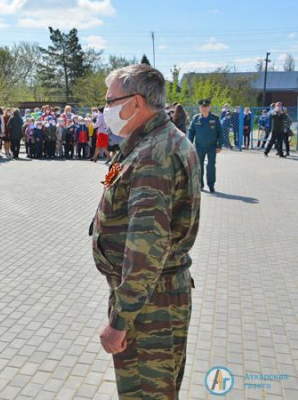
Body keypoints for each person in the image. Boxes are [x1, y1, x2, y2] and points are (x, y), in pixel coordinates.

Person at [93, 64, 200, 399]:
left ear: (136, 102)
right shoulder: (150, 142)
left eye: (110, 101)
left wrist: (120, 321)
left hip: (150, 305)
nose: (105, 109)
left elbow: (146, 245)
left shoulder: (155, 153)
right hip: (151, 297)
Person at [187, 99, 224, 192]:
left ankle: (211, 185)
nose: (204, 109)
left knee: (211, 166)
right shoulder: (195, 119)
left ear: (210, 107)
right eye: (202, 107)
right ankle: (200, 185)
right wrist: (189, 145)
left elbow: (220, 133)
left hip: (212, 146)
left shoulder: (215, 119)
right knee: (199, 166)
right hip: (199, 146)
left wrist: (219, 146)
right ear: (199, 108)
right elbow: (191, 132)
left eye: (206, 107)